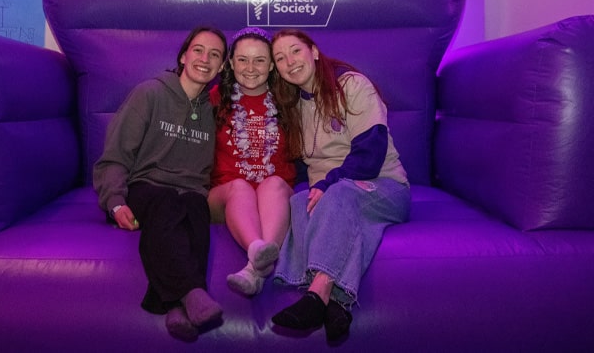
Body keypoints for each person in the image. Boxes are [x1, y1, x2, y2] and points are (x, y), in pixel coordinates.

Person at [268, 29, 411, 343]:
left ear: (314, 52)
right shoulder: (293, 105)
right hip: (336, 194)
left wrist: (330, 183)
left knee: (339, 194)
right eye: (280, 58)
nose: (289, 62)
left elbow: (371, 152)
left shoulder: (352, 85)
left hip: (383, 186)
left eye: (295, 51)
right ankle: (336, 305)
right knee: (297, 202)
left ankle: (316, 293)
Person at [93, 26, 227, 341]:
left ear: (221, 68)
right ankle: (194, 292)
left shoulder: (214, 112)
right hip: (145, 188)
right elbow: (113, 157)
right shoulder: (150, 93)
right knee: (168, 202)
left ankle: (175, 306)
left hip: (189, 195)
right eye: (198, 50)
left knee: (195, 205)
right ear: (183, 56)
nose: (204, 59)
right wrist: (115, 202)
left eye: (215, 55)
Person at [208, 27, 297, 296]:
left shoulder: (289, 101)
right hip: (224, 195)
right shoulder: (213, 99)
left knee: (274, 183)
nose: (250, 68)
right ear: (231, 63)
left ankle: (254, 267)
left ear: (271, 65)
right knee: (240, 187)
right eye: (242, 59)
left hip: (274, 196)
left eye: (259, 60)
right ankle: (256, 250)